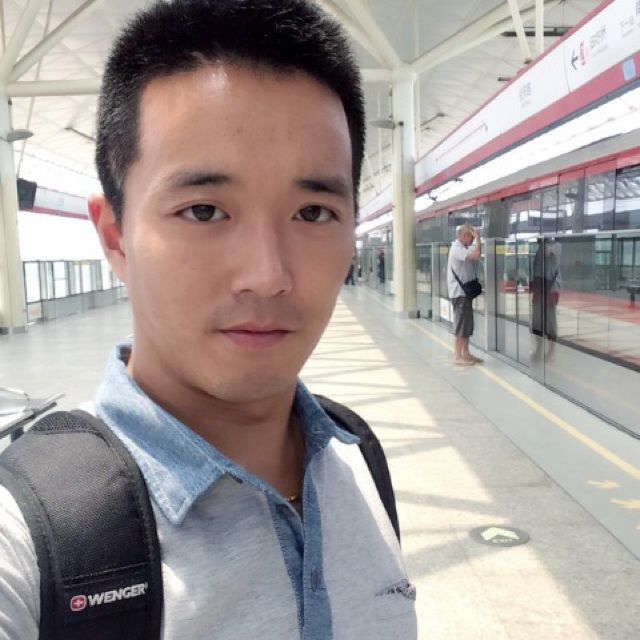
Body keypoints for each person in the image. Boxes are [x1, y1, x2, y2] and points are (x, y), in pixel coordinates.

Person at [0, 1, 417, 639]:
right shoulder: (30, 542)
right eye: (203, 210)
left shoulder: (359, 460)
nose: (267, 274)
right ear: (114, 238)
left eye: (312, 213)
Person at [447, 224, 483, 365]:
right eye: (471, 236)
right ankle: (457, 356)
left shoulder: (463, 248)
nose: (473, 239)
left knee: (467, 325)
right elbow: (476, 255)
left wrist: (476, 240)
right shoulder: (456, 249)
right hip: (459, 294)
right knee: (461, 324)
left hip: (465, 293)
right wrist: (478, 238)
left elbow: (476, 252)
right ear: (463, 236)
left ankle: (466, 353)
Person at [531, 239, 561, 359]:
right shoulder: (538, 249)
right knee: (537, 321)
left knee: (550, 322)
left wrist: (544, 244)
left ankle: (551, 352)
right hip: (539, 288)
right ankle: (539, 348)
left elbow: (548, 252)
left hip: (550, 289)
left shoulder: (556, 246)